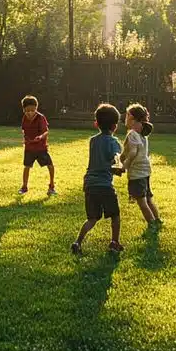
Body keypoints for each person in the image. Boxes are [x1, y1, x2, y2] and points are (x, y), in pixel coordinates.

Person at [72, 103, 124, 254]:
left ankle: (78, 242)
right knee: (115, 215)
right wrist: (120, 168)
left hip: (89, 184)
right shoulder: (114, 143)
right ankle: (114, 242)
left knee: (92, 218)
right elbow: (115, 160)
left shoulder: (93, 141)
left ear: (96, 124)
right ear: (115, 126)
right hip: (105, 186)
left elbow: (99, 161)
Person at [121, 103, 161, 226]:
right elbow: (127, 152)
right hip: (145, 171)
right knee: (148, 198)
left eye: (126, 116)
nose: (125, 119)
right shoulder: (143, 134)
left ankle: (152, 224)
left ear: (132, 118)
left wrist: (124, 166)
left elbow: (133, 152)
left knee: (142, 202)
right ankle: (158, 220)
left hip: (137, 173)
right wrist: (121, 158)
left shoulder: (132, 133)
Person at [19, 95, 56, 196]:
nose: (30, 113)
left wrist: (40, 137)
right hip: (29, 148)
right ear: (23, 110)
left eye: (32, 110)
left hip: (41, 148)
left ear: (36, 108)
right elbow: (23, 130)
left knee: (50, 166)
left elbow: (46, 132)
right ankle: (24, 186)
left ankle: (52, 186)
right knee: (26, 166)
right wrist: (25, 138)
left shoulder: (41, 118)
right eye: (27, 111)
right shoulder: (24, 119)